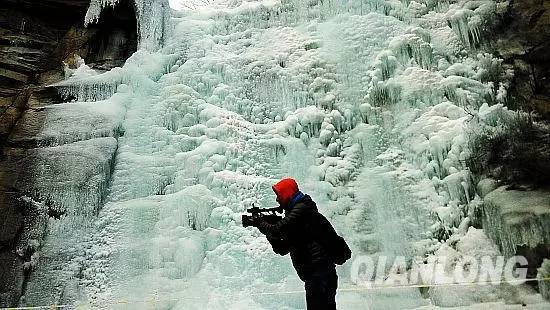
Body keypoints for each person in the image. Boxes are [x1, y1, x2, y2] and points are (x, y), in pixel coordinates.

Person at [250, 178, 338, 310]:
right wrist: (266, 230)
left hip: (319, 274)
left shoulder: (302, 209)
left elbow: (278, 230)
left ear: (287, 193)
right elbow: (282, 248)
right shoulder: (299, 215)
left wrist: (261, 223)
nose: (277, 200)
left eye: (279, 196)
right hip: (317, 275)